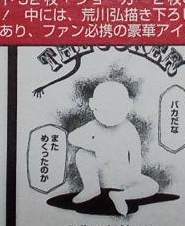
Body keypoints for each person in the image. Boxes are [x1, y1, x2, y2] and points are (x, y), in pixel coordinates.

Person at [68, 80, 159, 216]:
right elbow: (72, 137)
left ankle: (121, 196)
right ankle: (91, 188)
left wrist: (133, 176)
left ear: (128, 106)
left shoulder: (128, 129)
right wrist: (95, 146)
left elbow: (135, 155)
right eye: (104, 109)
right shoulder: (94, 126)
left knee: (152, 186)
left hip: (123, 178)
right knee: (83, 154)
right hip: (100, 178)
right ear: (93, 105)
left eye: (116, 109)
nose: (110, 115)